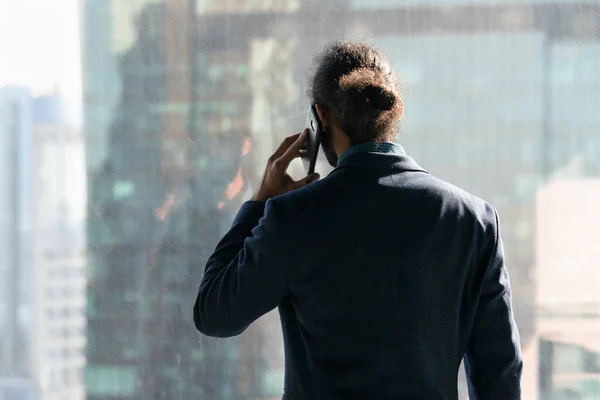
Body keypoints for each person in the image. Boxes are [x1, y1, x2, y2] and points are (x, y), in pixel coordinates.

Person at [193, 41, 523, 400]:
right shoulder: (474, 221)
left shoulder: (293, 217)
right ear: (392, 113)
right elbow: (499, 374)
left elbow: (214, 314)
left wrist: (259, 202)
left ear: (320, 117)